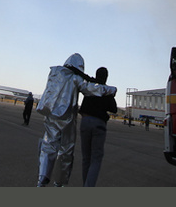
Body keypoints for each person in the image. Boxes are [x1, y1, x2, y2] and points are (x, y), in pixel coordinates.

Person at [36, 53, 117, 187]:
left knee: (48, 145)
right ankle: (60, 183)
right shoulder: (75, 78)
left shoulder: (54, 73)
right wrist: (111, 89)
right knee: (66, 151)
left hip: (51, 115)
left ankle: (42, 178)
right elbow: (90, 88)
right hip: (67, 119)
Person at [79, 67, 117, 187]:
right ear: (106, 77)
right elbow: (114, 109)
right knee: (96, 159)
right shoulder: (106, 91)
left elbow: (85, 77)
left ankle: (86, 185)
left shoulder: (90, 87)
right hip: (99, 125)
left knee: (86, 158)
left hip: (85, 121)